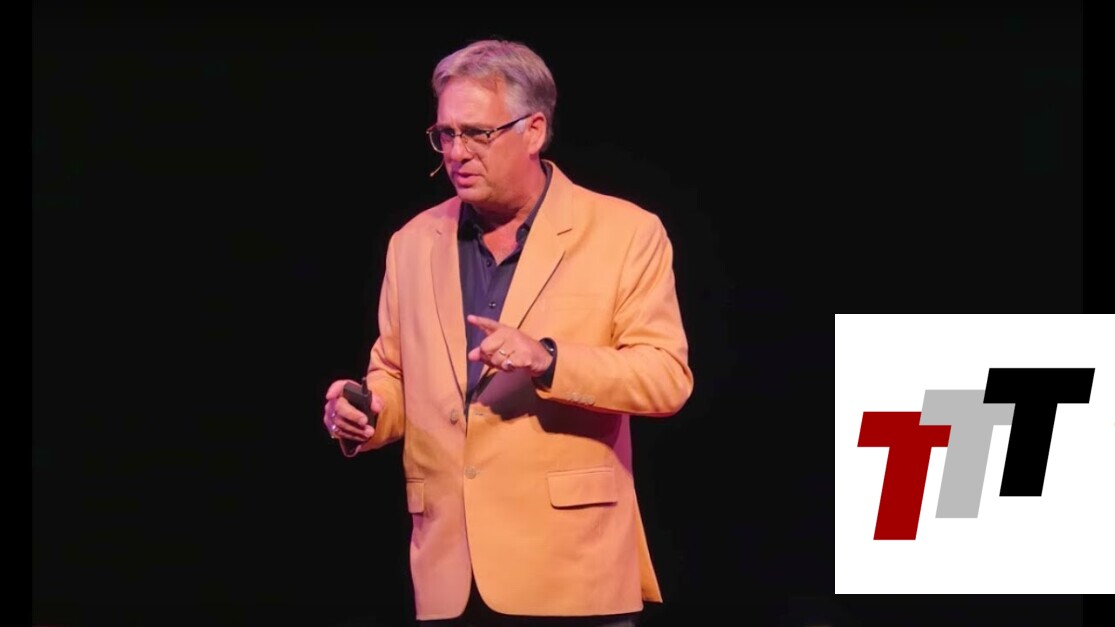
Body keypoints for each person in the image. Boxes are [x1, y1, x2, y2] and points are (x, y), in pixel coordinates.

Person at [322, 38, 694, 626]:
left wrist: (549, 359)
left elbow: (665, 377)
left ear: (534, 130)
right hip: (450, 573)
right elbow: (393, 375)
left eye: (477, 133)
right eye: (445, 134)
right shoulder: (412, 243)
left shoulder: (625, 232)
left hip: (571, 570)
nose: (457, 152)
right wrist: (365, 411)